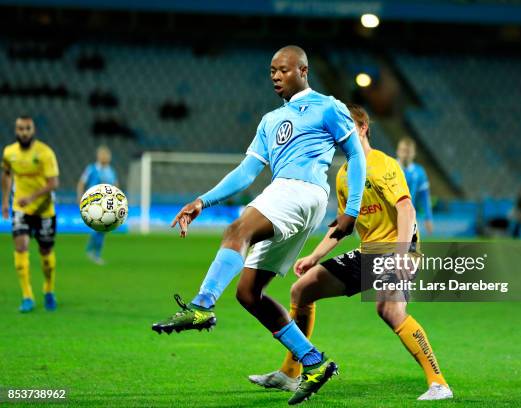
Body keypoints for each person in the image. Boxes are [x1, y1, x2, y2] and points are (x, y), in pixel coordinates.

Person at [151, 45, 366, 405]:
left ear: (303, 70)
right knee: (248, 293)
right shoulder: (269, 121)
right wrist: (202, 201)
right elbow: (246, 172)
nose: (276, 77)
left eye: (283, 70)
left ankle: (202, 305)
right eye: (271, 72)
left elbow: (356, 155)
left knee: (237, 231)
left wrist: (352, 211)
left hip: (302, 190)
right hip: (288, 195)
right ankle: (314, 361)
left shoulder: (328, 106)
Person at [249, 104, 453, 401]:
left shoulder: (382, 164)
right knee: (301, 291)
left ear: (363, 128)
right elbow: (344, 224)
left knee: (390, 310)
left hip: (397, 249)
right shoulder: (344, 175)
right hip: (367, 252)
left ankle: (439, 384)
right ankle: (290, 374)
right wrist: (314, 256)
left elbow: (406, 208)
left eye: (347, 127)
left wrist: (402, 254)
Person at [1, 116, 60, 312]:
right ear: (16, 130)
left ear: (33, 130)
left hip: (44, 210)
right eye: (20, 128)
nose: (23, 132)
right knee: (21, 245)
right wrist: (5, 202)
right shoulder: (9, 153)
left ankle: (49, 289)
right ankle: (27, 296)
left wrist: (32, 197)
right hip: (21, 208)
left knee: (46, 253)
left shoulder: (45, 153)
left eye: (27, 128)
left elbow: (53, 183)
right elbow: (7, 175)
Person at [76, 145, 118, 264]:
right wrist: (79, 196)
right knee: (100, 226)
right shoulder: (91, 169)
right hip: (94, 202)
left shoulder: (111, 170)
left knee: (103, 229)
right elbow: (81, 182)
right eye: (103, 154)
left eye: (107, 155)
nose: (105, 157)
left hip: (107, 204)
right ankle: (93, 252)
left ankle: (93, 251)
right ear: (98, 156)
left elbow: (115, 185)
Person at [396, 137, 434, 234]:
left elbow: (424, 197)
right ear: (398, 151)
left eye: (408, 151)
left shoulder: (419, 172)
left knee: (412, 248)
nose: (406, 154)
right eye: (403, 151)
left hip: (409, 217)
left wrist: (428, 217)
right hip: (389, 217)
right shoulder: (389, 167)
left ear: (414, 153)